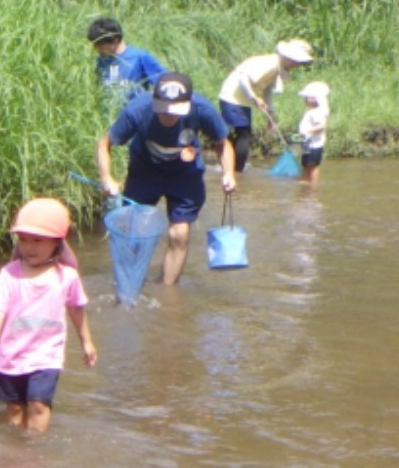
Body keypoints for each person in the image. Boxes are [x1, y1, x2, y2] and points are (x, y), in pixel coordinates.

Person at [95, 70, 237, 286]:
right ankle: (129, 285)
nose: (169, 116)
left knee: (179, 235)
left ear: (188, 103)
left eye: (175, 111)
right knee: (134, 234)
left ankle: (167, 291)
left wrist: (228, 173)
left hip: (184, 175)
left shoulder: (202, 109)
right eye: (164, 110)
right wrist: (107, 177)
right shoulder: (138, 109)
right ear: (155, 100)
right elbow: (106, 143)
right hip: (144, 173)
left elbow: (222, 143)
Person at [0, 197, 97, 433]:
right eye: (23, 240)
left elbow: (76, 308)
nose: (29, 247)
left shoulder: (66, 277)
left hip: (46, 355)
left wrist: (87, 341)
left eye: (38, 241)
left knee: (38, 405)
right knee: (14, 408)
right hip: (10, 354)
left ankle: (35, 448)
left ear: (57, 243)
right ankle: (16, 447)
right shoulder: (10, 274)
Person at [217, 38, 315, 174]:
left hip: (243, 100)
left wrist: (271, 114)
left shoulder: (278, 68)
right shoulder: (269, 64)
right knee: (244, 135)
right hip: (231, 97)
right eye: (295, 61)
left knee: (241, 134)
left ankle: (230, 164)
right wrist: (254, 97)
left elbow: (267, 90)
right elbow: (242, 78)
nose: (296, 65)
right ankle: (236, 171)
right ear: (287, 57)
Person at [87, 17, 166, 114]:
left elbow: (165, 82)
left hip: (134, 116)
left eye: (100, 45)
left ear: (115, 40)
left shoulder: (139, 57)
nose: (97, 49)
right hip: (108, 118)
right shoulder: (101, 60)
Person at [297, 80, 330, 188]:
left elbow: (322, 126)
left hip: (314, 145)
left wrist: (308, 131)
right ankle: (304, 183)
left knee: (313, 166)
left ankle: (313, 186)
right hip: (307, 143)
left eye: (307, 97)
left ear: (315, 99)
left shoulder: (317, 112)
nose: (305, 99)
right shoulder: (312, 111)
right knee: (305, 165)